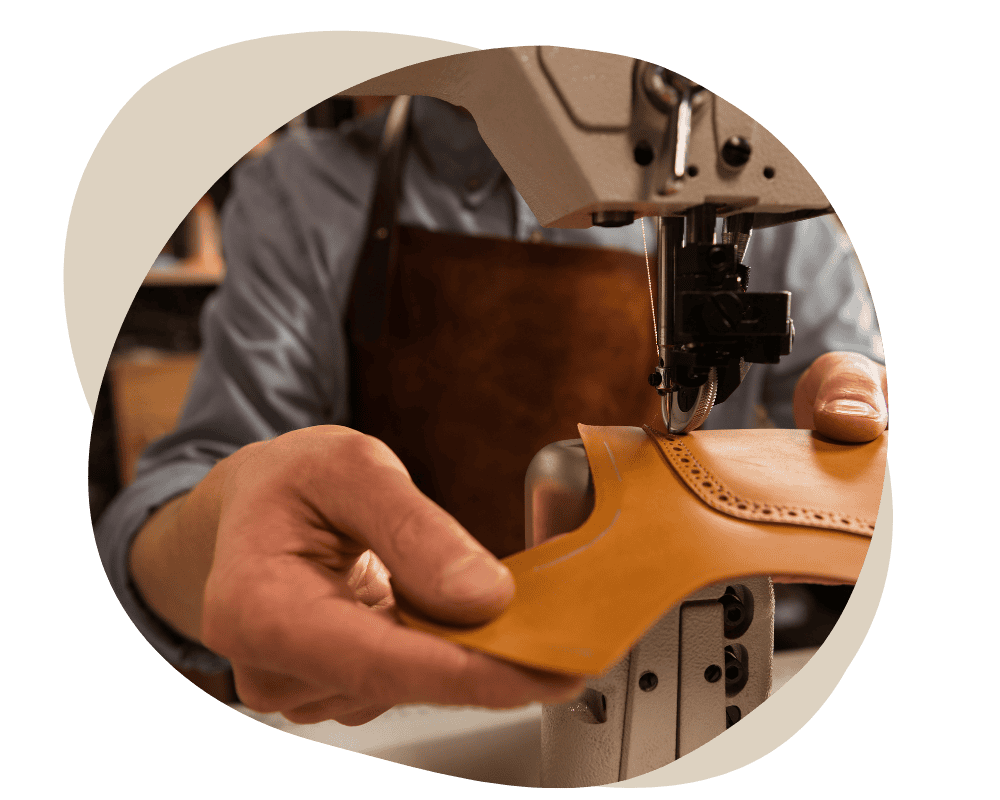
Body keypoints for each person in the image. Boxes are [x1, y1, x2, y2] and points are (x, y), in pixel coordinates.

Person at [94, 96, 888, 727]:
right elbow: (168, 506)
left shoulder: (752, 180)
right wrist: (210, 547)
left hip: (719, 676)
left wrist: (856, 440)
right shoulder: (308, 189)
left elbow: (858, 428)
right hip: (405, 712)